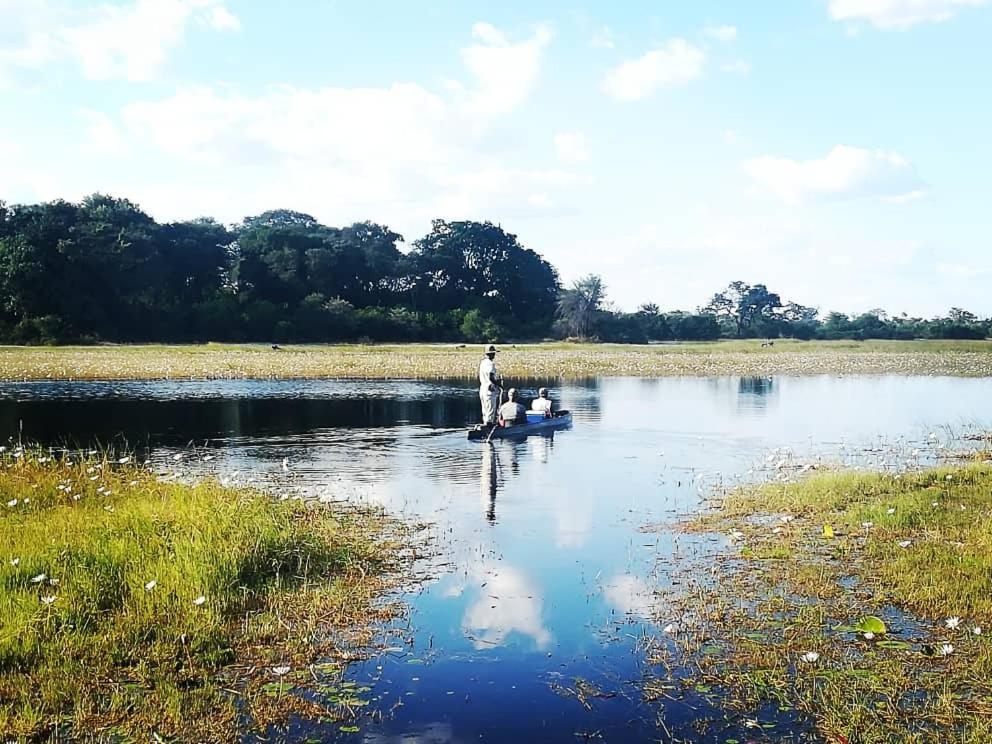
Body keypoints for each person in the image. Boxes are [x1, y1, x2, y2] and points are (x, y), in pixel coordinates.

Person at [478, 343, 502, 425]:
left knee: (485, 411)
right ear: (491, 354)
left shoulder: (483, 362)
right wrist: (498, 384)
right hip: (489, 390)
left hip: (482, 389)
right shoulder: (490, 364)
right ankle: (489, 427)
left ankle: (485, 424)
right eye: (494, 353)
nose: (495, 355)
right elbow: (490, 377)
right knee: (490, 411)